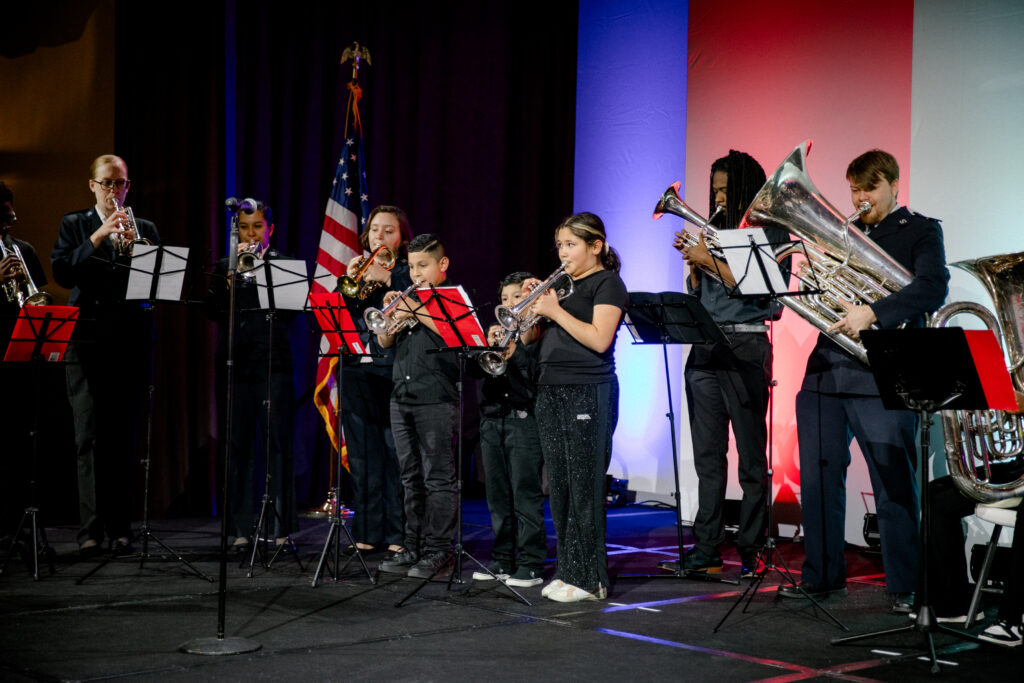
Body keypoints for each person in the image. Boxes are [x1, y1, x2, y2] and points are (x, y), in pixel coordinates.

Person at [780, 150, 949, 612]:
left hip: (884, 369)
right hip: (826, 369)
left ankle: (904, 586)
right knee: (817, 475)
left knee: (892, 481)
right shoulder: (845, 231)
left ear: (893, 184)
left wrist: (874, 312)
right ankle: (822, 575)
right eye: (853, 189)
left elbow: (934, 286)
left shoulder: (920, 229)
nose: (859, 199)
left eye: (868, 189)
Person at [673, 150, 789, 577]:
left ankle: (752, 547)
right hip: (705, 348)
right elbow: (700, 297)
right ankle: (706, 550)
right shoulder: (711, 233)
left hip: (745, 348)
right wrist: (694, 269)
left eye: (725, 189)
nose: (718, 197)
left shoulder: (773, 232)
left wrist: (710, 263)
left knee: (752, 460)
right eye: (714, 190)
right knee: (707, 456)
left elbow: (766, 298)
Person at [51, 154, 160, 556]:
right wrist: (99, 236)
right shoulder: (75, 224)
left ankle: (121, 528)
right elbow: (63, 272)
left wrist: (136, 252)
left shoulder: (144, 229)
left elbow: (154, 284)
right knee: (89, 436)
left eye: (121, 184)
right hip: (87, 341)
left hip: (128, 340)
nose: (115, 191)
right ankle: (90, 530)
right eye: (108, 184)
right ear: (92, 186)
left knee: (122, 438)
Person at [524, 212, 628, 603]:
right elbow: (536, 339)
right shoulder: (563, 288)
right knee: (562, 488)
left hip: (588, 390)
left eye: (571, 244)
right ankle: (570, 571)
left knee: (585, 487)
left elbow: (600, 339)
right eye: (560, 246)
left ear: (595, 246)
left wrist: (554, 311)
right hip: (550, 389)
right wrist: (534, 309)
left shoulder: (608, 284)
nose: (563, 253)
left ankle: (591, 579)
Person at [204, 200, 298, 551]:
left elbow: (290, 315)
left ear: (269, 229)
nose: (250, 234)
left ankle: (281, 527)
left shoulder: (285, 265)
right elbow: (211, 311)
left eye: (257, 226)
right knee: (237, 446)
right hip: (233, 363)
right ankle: (240, 529)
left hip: (274, 364)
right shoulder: (224, 265)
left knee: (278, 444)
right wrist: (228, 282)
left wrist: (259, 273)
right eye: (244, 227)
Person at [376, 233, 459, 579]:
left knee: (438, 479)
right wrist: (389, 316)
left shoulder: (453, 299)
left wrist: (417, 310)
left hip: (436, 398)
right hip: (402, 396)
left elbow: (453, 334)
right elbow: (384, 339)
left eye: (423, 266)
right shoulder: (409, 297)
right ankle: (412, 545)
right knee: (409, 478)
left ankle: (439, 549)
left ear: (442, 265)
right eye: (411, 267)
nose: (415, 274)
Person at [337, 205, 412, 557]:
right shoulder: (359, 273)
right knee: (364, 461)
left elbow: (414, 304)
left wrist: (389, 278)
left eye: (389, 231)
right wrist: (350, 286)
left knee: (396, 460)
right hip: (357, 375)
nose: (380, 237)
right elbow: (341, 320)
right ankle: (367, 530)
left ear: (402, 238)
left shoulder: (409, 272)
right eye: (375, 230)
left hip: (393, 376)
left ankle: (400, 531)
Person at [468, 272, 545, 587]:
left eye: (516, 297)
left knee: (524, 496)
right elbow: (475, 369)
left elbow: (535, 379)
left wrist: (516, 353)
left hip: (523, 420)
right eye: (504, 299)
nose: (510, 304)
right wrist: (485, 347)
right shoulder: (499, 332)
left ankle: (531, 563)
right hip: (492, 419)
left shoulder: (540, 334)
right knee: (497, 496)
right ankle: (501, 559)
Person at [0, 180, 50, 536]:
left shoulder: (23, 249)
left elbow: (39, 298)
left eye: (11, 209)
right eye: (4, 213)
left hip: (21, 357)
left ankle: (20, 523)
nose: (12, 217)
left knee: (21, 443)